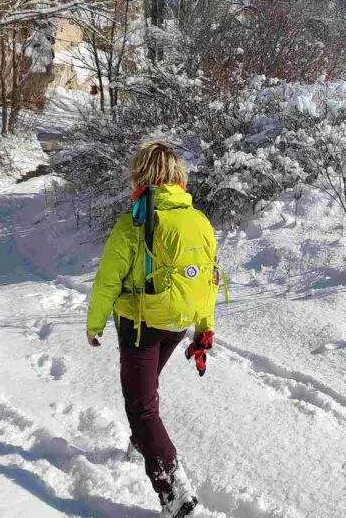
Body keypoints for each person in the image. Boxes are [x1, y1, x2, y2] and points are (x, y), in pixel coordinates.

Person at [86, 141, 220, 518]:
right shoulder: (199, 220)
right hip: (178, 323)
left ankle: (172, 489)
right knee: (146, 390)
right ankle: (140, 443)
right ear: (178, 175)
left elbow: (108, 280)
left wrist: (94, 323)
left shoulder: (136, 221)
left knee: (140, 405)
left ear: (143, 174)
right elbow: (209, 279)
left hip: (141, 324)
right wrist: (203, 328)